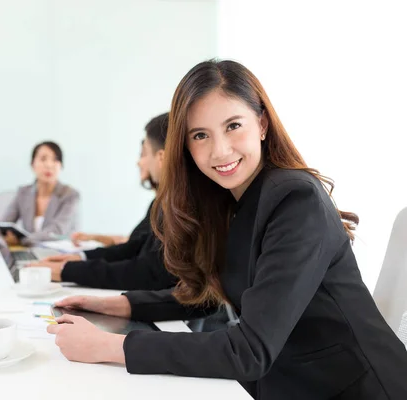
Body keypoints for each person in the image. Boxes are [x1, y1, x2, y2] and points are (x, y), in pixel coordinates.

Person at [44, 60, 407, 399]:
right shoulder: (229, 202)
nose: (220, 151)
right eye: (200, 135)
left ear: (262, 124)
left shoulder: (296, 200)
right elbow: (210, 296)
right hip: (289, 382)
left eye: (233, 126)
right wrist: (118, 305)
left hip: (356, 390)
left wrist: (110, 347)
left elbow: (249, 351)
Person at [29, 113, 177, 291]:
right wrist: (79, 258)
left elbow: (146, 272)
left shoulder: (178, 207)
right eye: (42, 159)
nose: (139, 162)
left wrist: (68, 270)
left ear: (161, 158)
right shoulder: (162, 203)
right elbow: (132, 248)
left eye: (143, 154)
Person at [0, 141, 79, 246]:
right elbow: (4, 224)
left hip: (59, 255)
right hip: (28, 253)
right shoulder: (23, 193)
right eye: (43, 159)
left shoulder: (70, 195)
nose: (49, 165)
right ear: (33, 164)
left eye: (56, 159)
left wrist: (23, 240)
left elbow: (57, 230)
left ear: (61, 165)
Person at [69, 139, 157, 247]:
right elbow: (132, 242)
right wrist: (94, 238)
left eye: (143, 155)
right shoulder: (155, 205)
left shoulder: (162, 208)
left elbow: (133, 248)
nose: (138, 162)